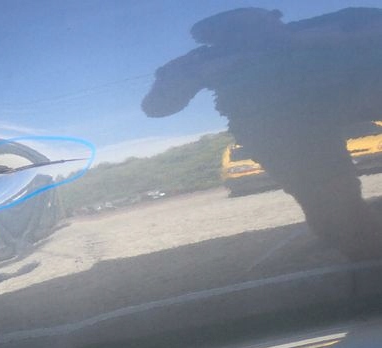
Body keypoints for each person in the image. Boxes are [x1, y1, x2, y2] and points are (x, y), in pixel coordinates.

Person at [142, 7, 382, 260]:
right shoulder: (200, 63)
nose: (244, 35)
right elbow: (156, 107)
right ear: (209, 38)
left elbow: (156, 108)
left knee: (329, 201)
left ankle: (353, 239)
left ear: (275, 18)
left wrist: (312, 40)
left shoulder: (341, 23)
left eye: (250, 26)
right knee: (328, 200)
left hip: (292, 124)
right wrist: (186, 74)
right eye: (230, 31)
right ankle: (357, 243)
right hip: (278, 130)